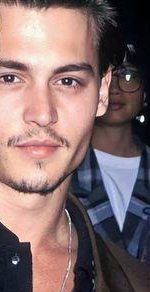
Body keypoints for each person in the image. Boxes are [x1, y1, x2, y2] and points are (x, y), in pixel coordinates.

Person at [0, 1, 149, 292]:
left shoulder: (137, 283)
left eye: (67, 81)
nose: (42, 113)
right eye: (10, 78)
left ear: (102, 93)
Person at [70, 30, 150, 260]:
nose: (114, 88)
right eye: (106, 75)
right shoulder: (63, 167)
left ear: (145, 92)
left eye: (127, 77)